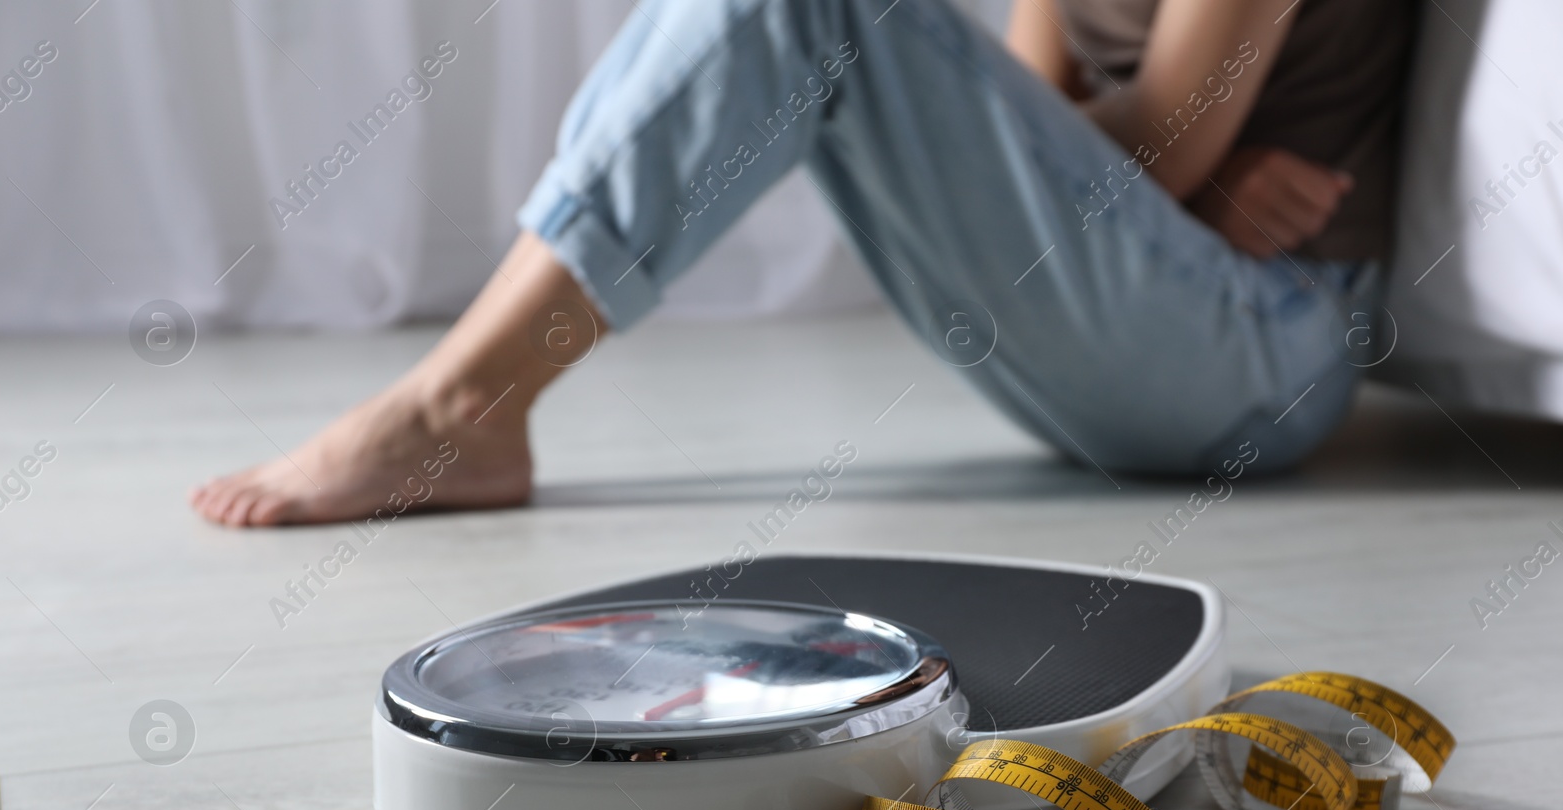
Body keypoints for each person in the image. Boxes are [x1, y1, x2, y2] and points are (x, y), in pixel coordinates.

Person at [189, 0, 1413, 527]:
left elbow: (1147, 141)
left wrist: (1143, 154)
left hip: (1264, 347)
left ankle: (462, 403)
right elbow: (1056, 124)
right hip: (1152, 303)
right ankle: (466, 400)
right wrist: (1140, 158)